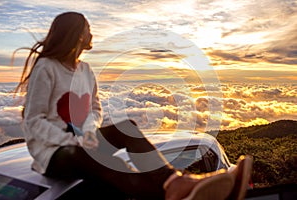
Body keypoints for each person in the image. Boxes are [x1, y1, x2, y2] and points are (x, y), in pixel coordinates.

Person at [14, 11, 253, 200]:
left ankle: (176, 182)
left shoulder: (85, 70)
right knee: (112, 164)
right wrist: (73, 140)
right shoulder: (47, 67)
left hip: (82, 141)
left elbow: (95, 109)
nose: (92, 35)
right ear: (77, 34)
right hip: (53, 153)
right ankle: (181, 189)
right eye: (88, 30)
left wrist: (88, 130)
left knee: (124, 127)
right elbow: (33, 121)